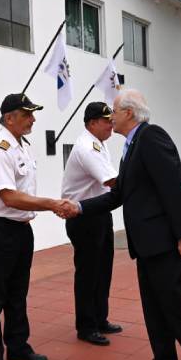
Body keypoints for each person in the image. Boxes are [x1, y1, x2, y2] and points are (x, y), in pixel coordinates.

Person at [64, 89, 181, 360]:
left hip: (169, 243)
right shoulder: (131, 145)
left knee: (175, 308)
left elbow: (171, 187)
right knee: (154, 309)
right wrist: (80, 207)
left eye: (114, 111)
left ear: (129, 113)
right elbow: (118, 194)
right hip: (149, 245)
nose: (111, 117)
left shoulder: (151, 137)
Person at [0, 93, 66, 360]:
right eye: (27, 114)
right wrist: (51, 204)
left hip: (21, 229)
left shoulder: (22, 146)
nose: (33, 119)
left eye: (32, 113)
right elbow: (9, 197)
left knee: (18, 291)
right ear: (9, 118)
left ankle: (17, 345)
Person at [61, 102, 121, 346]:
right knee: (88, 272)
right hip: (83, 216)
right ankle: (86, 326)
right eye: (107, 120)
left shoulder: (99, 145)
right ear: (92, 123)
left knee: (103, 268)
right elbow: (112, 182)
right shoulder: (87, 147)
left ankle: (99, 318)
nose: (111, 124)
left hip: (98, 213)